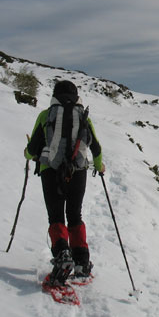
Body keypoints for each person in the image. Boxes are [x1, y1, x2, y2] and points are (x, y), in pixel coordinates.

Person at [24, 80, 105, 285]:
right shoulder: (83, 117)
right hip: (78, 172)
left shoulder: (46, 115)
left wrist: (28, 153)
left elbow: (32, 150)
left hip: (50, 172)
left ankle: (62, 257)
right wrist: (99, 166)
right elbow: (96, 147)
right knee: (75, 214)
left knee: (56, 216)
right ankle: (82, 262)